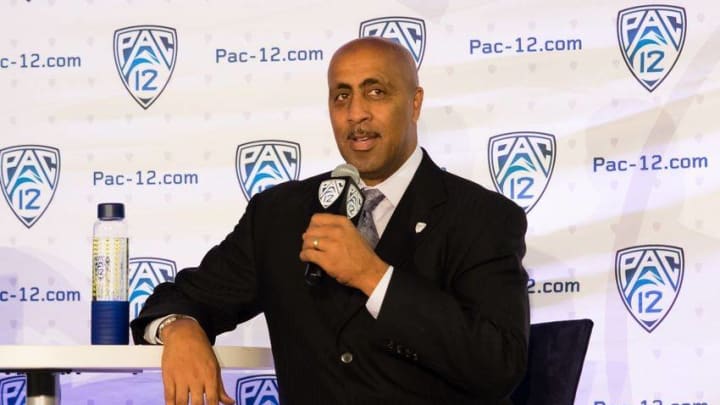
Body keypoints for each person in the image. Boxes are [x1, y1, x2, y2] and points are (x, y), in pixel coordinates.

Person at [131, 37, 529, 404]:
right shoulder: (280, 214)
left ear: (414, 103)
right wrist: (181, 330)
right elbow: (181, 296)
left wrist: (373, 276)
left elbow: (498, 364)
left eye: (376, 92)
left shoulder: (482, 218)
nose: (356, 113)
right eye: (341, 96)